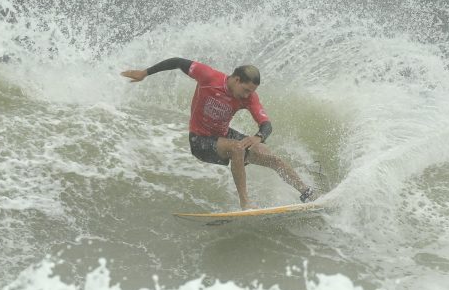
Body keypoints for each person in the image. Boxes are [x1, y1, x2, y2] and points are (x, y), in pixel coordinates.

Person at [121, 58, 315, 210]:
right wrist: (144, 73)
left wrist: (258, 137)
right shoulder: (208, 76)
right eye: (246, 90)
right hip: (200, 141)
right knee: (238, 148)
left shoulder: (249, 97)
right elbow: (177, 62)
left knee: (267, 154)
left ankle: (306, 192)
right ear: (236, 79)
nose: (247, 95)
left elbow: (266, 124)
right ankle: (245, 204)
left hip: (222, 135)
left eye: (251, 92)